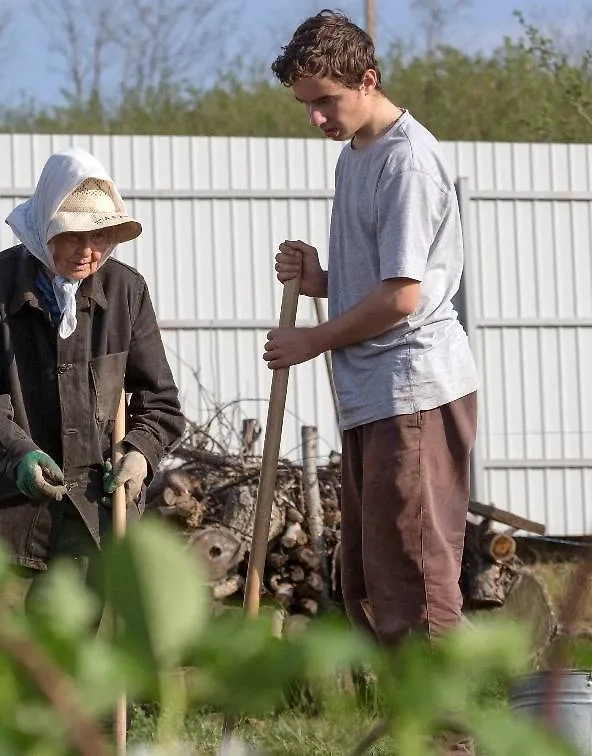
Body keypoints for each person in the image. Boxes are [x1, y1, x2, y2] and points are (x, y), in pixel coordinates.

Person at [266, 3, 479, 689]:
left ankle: (451, 740)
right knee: (370, 582)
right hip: (371, 397)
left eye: (325, 101)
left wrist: (310, 340)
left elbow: (402, 299)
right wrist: (320, 279)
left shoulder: (408, 162)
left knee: (415, 583)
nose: (317, 119)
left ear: (367, 77)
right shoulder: (356, 157)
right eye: (306, 106)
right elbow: (376, 280)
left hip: (413, 393)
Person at [0, 146, 186, 615]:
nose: (88, 251)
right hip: (1, 511)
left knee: (80, 668)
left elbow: (161, 404)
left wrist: (139, 455)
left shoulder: (126, 291)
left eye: (103, 236)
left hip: (93, 513)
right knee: (6, 668)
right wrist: (21, 454)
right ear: (47, 222)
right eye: (74, 235)